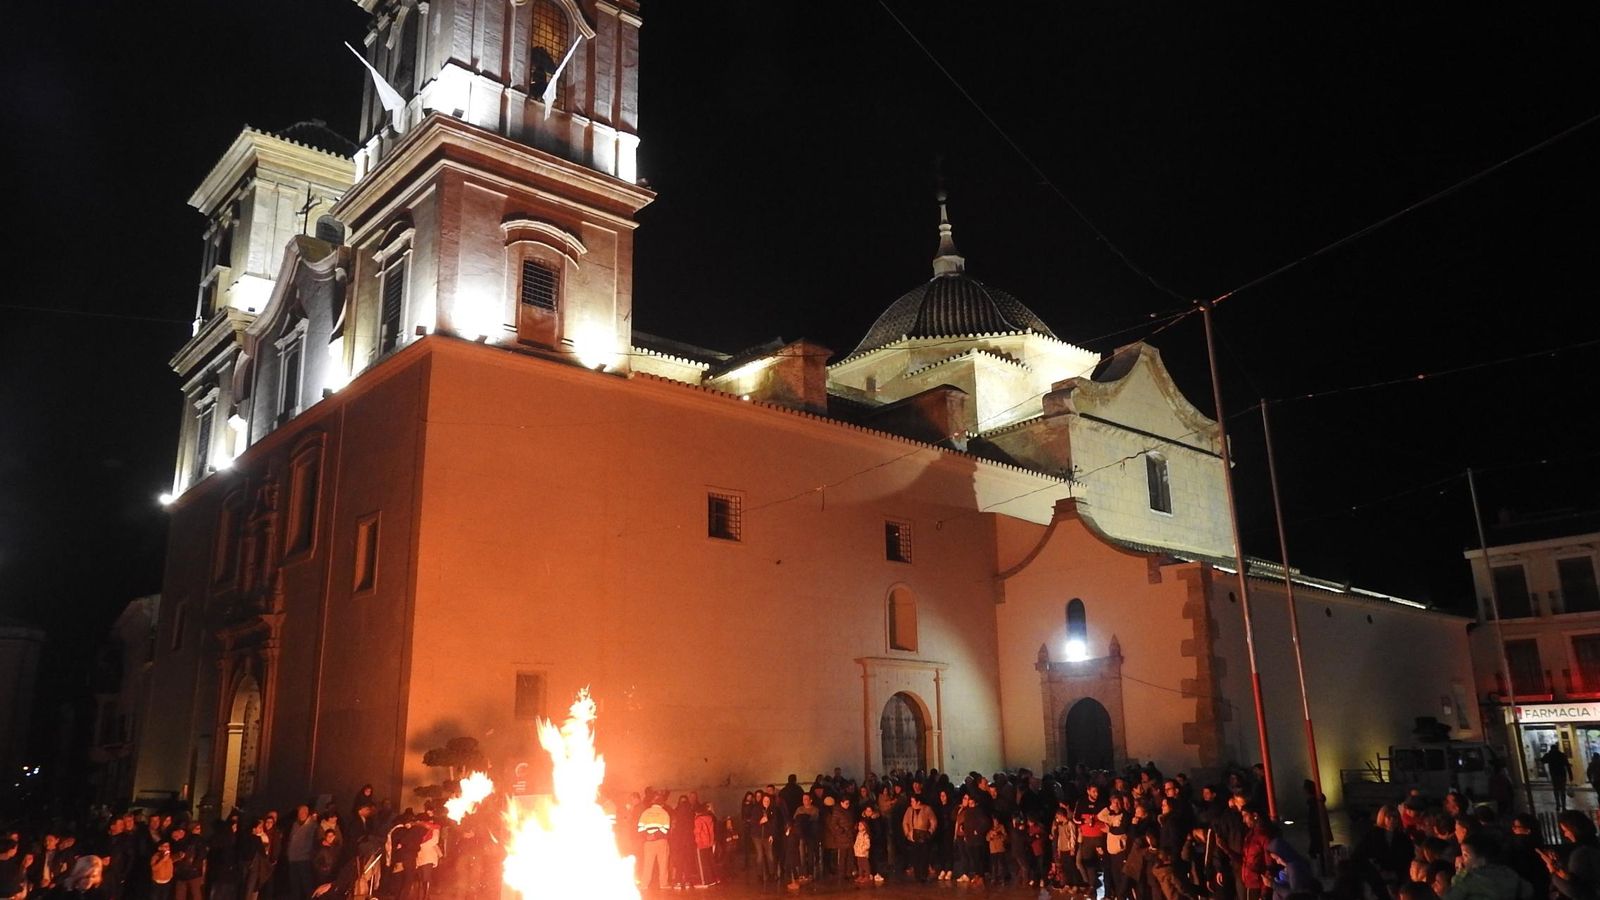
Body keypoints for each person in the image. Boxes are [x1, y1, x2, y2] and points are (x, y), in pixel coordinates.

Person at [1448, 832, 1533, 900]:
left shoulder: (1464, 880)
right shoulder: (1508, 873)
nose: (1462, 861)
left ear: (1482, 859)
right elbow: (1528, 891)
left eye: (1466, 856)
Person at [1542, 809, 1600, 900]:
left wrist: (1553, 871)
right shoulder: (1594, 844)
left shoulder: (1581, 854)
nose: (1565, 835)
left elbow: (1576, 891)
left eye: (1566, 830)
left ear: (1575, 829)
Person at [636, 792, 671, 891]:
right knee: (663, 864)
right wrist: (655, 835)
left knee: (647, 864)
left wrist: (647, 836)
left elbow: (640, 828)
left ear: (652, 802)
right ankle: (663, 884)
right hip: (661, 842)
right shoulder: (664, 813)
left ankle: (644, 884)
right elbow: (665, 829)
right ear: (662, 803)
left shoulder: (645, 813)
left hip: (648, 843)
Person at [1544, 745, 1574, 812]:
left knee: (1556, 790)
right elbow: (1567, 765)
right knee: (1562, 791)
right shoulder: (1561, 755)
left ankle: (1558, 804)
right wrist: (1570, 775)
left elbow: (1543, 760)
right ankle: (1563, 806)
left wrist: (1548, 753)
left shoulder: (1550, 755)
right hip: (1562, 775)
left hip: (1554, 775)